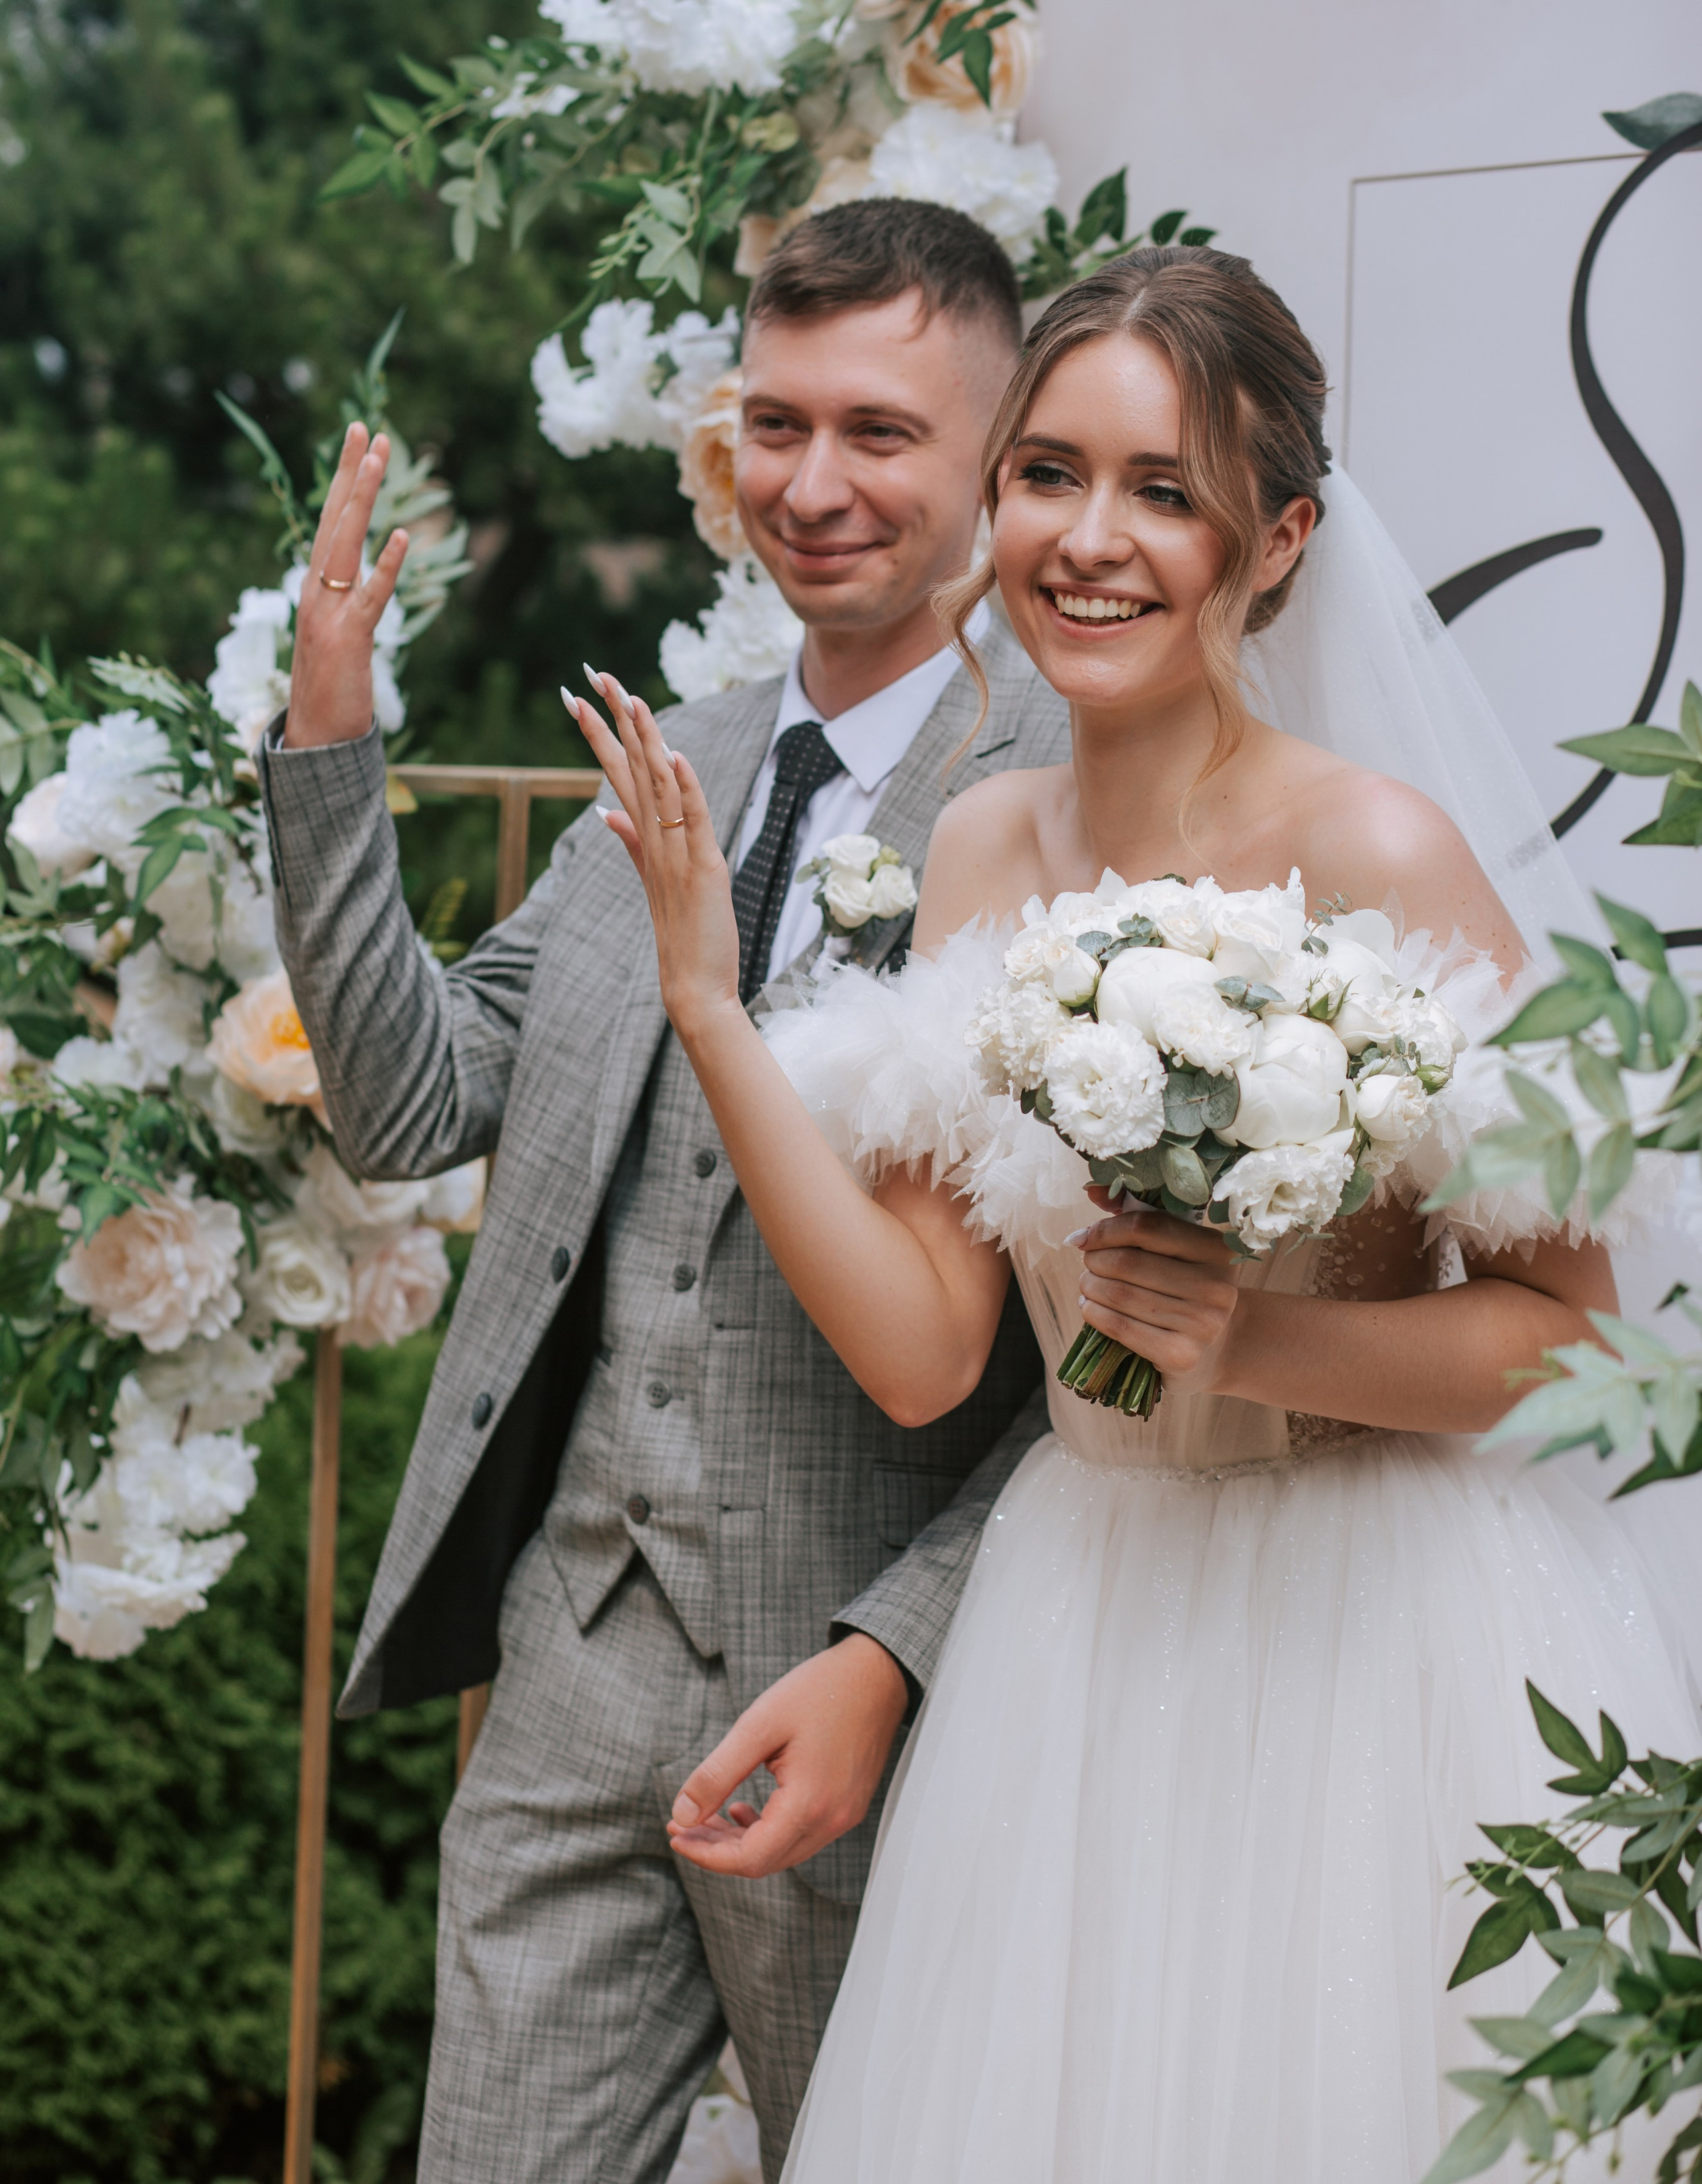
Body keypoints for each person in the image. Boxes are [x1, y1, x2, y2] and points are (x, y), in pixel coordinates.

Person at [576, 244, 1702, 2181]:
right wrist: (709, 1010)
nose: (1090, 541)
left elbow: (1575, 1339)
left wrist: (1256, 1336)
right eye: (1050, 475)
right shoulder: (983, 845)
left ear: (1277, 544)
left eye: (1164, 492)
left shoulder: (1372, 848)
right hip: (1080, 1623)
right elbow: (931, 1351)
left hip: (1373, 1633)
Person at [256, 197, 1070, 2184]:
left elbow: (1117, 1355)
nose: (811, 483)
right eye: (774, 426)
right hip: (575, 1660)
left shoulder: (1073, 786)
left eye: (880, 432)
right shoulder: (667, 759)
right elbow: (416, 1101)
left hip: (878, 1703)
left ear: (997, 452)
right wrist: (331, 747)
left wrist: (905, 1651)